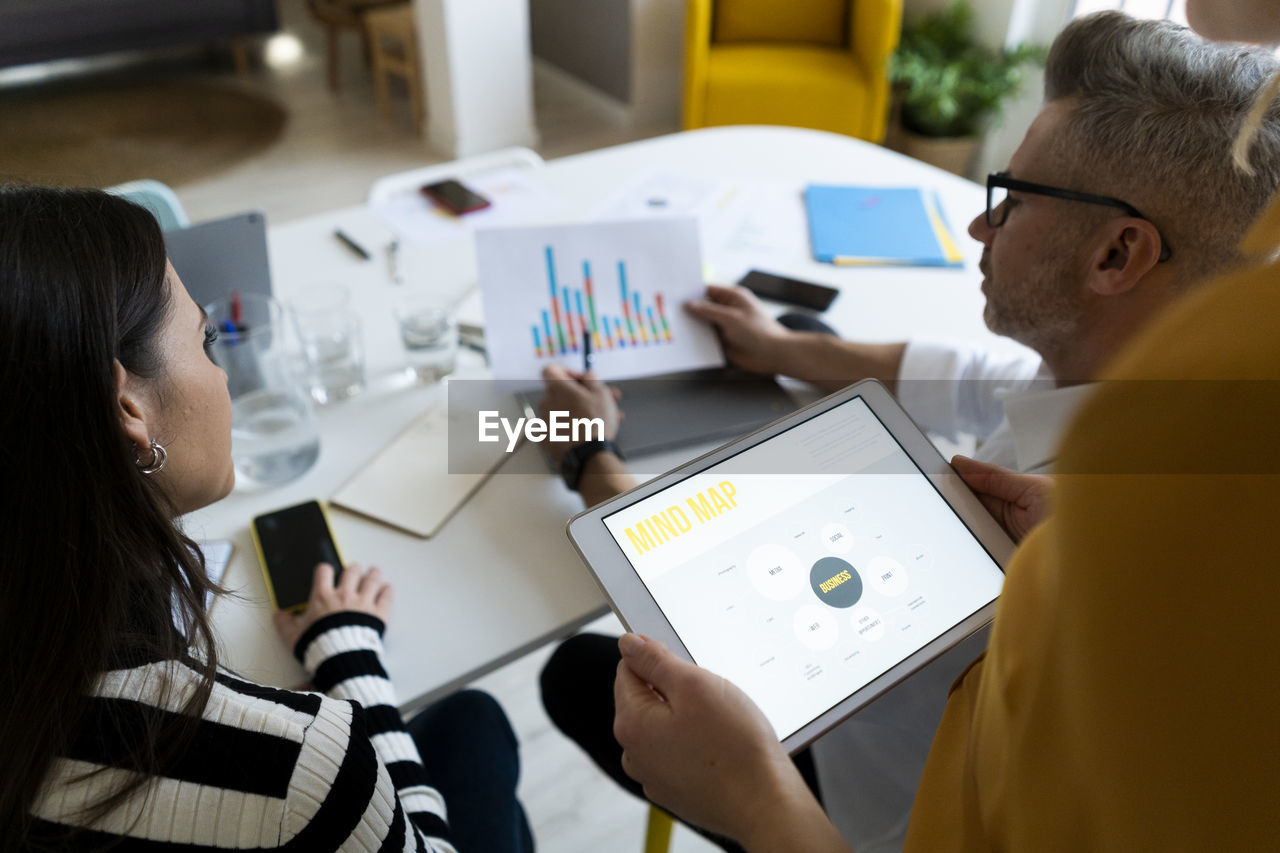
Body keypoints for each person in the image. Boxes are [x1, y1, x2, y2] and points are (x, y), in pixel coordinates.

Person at [537, 11, 1280, 850]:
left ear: (1117, 256)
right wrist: (787, 347)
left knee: (570, 673)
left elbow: (695, 580)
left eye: (1011, 200)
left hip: (844, 816)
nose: (978, 226)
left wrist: (589, 455)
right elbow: (975, 375)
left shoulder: (1091, 602)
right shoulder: (1141, 394)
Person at [0, 186, 533, 851]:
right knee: (476, 723)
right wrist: (350, 656)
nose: (225, 378)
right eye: (207, 339)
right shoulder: (300, 765)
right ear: (128, 409)